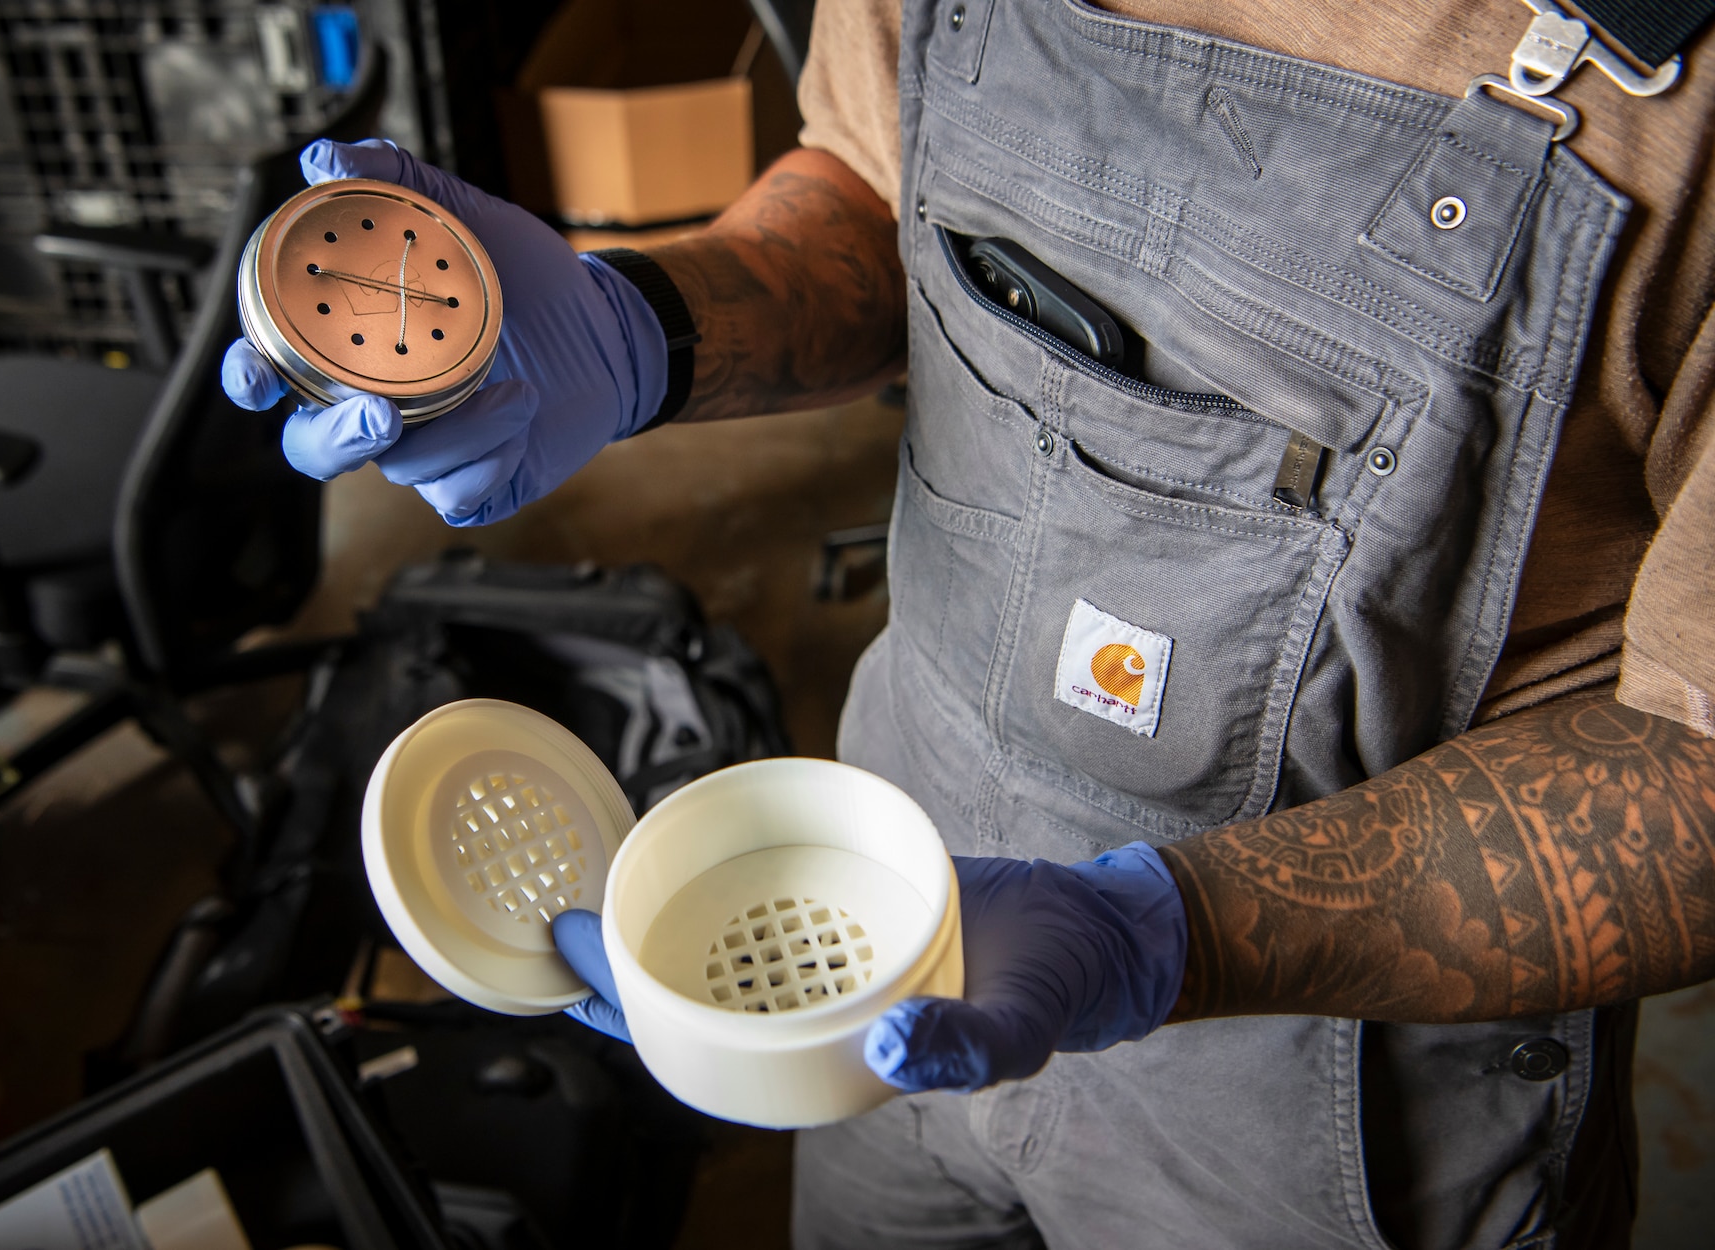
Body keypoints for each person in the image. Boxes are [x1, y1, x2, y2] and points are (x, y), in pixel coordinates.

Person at [224, 2, 1715, 1245]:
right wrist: (642, 334)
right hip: (887, 897)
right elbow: (883, 190)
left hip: (1320, 1104)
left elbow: (1697, 756)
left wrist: (1155, 935)